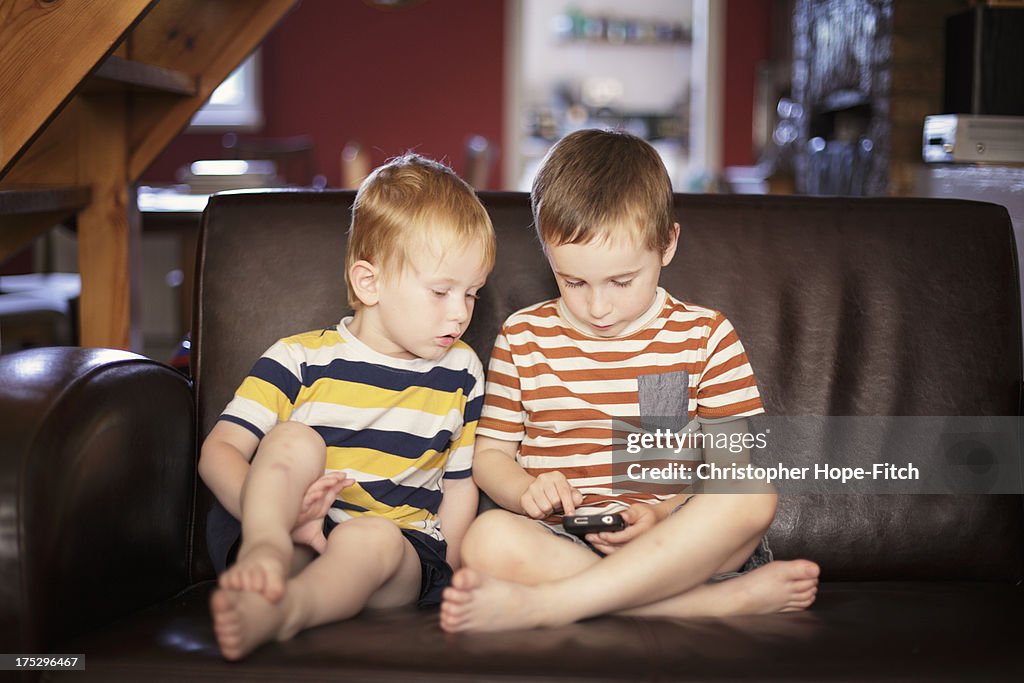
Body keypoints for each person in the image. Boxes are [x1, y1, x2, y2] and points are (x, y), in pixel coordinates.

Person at [440, 129, 819, 633]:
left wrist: (661, 515)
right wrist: (524, 490)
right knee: (486, 540)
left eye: (621, 281)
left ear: (667, 244)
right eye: (572, 282)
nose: (598, 308)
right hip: (563, 543)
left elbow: (728, 467)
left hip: (681, 545)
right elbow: (489, 457)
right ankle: (698, 606)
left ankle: (562, 602)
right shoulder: (523, 336)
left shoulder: (704, 335)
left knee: (749, 491)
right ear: (548, 255)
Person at [199, 153, 496, 659]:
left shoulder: (461, 370)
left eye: (471, 294)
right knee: (293, 440)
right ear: (369, 283)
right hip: (278, 523)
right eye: (441, 291)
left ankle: (287, 609)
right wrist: (270, 520)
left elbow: (459, 484)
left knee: (371, 538)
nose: (460, 313)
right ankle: (266, 558)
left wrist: (459, 567)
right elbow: (219, 450)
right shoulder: (299, 359)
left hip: (395, 551)